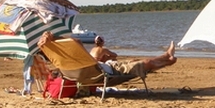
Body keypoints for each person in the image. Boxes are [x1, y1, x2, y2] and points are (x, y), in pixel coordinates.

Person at [38, 31, 177, 74]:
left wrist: (53, 40)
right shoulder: (78, 60)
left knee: (134, 61)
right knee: (144, 63)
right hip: (105, 71)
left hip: (102, 67)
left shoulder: (65, 65)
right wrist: (55, 37)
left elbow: (75, 43)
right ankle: (167, 58)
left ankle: (167, 56)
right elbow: (75, 42)